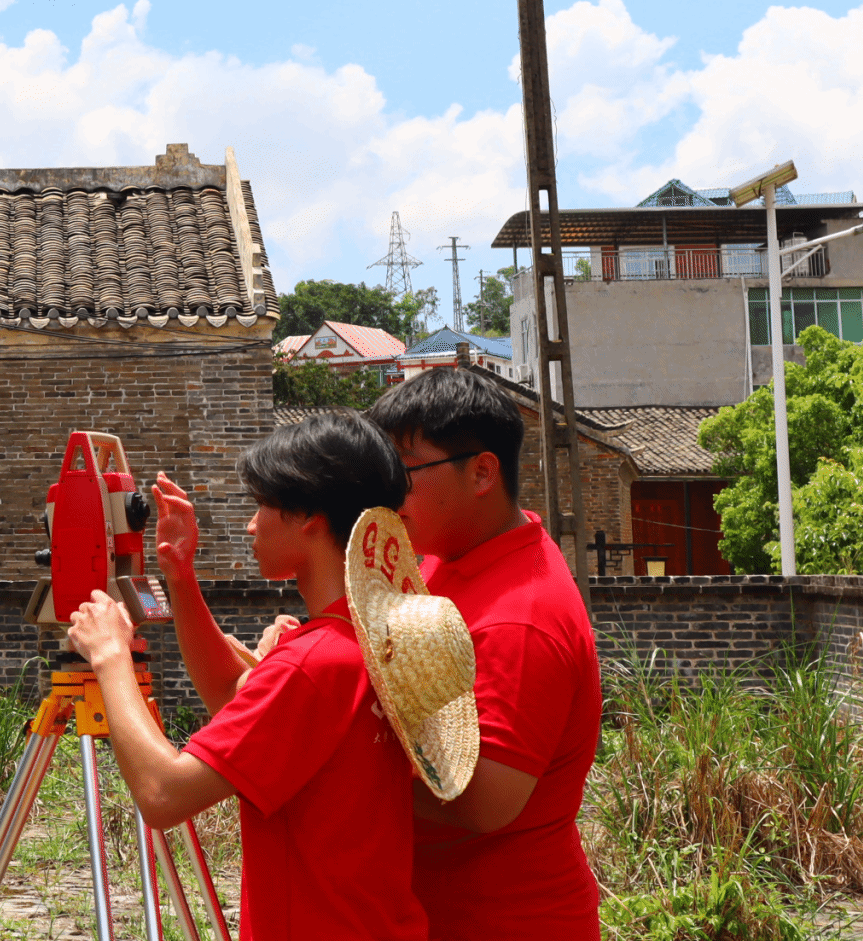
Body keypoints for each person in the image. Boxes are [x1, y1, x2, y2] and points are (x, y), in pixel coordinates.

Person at [65, 414, 429, 940]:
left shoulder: (308, 664)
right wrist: (180, 575)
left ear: (308, 515)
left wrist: (109, 656)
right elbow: (229, 699)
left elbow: (163, 795)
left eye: (261, 504)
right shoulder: (371, 641)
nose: (251, 526)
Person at [369, 367, 602, 940]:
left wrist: (338, 761)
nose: (387, 494)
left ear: (481, 472)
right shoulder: (443, 556)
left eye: (403, 473)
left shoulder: (521, 619)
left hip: (505, 919)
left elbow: (481, 803)